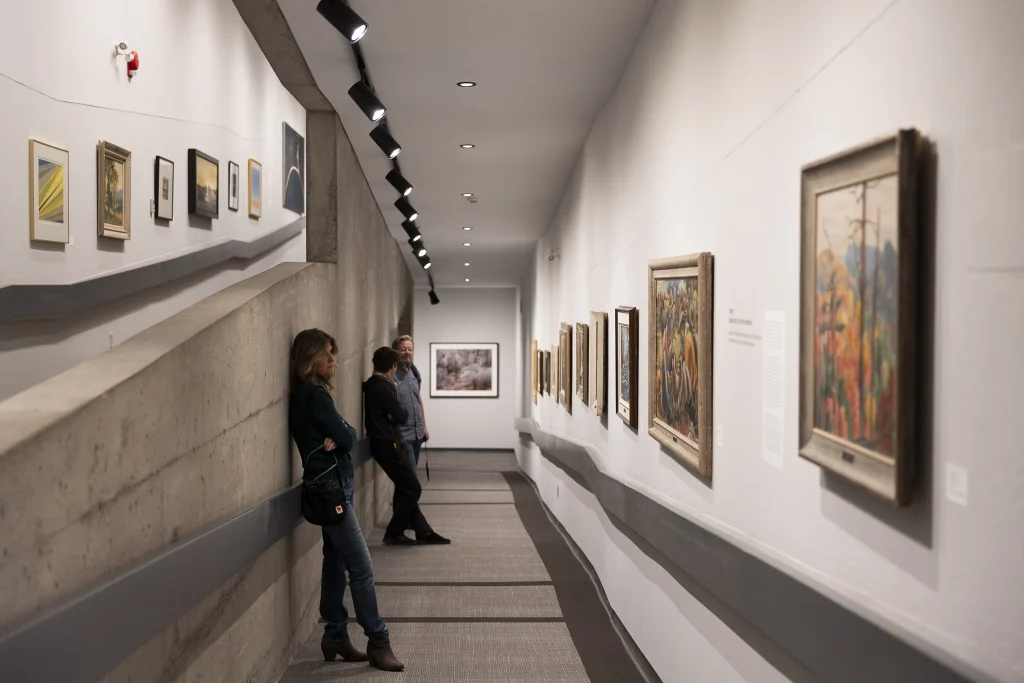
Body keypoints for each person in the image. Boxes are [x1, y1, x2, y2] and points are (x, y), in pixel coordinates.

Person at [288, 329, 404, 672]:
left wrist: (341, 436)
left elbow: (346, 435)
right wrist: (339, 437)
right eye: (326, 355)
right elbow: (347, 436)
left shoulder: (303, 396)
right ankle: (378, 641)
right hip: (332, 490)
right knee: (361, 566)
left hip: (323, 487)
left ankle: (335, 634)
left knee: (335, 561)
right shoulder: (315, 396)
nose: (332, 361)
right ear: (311, 359)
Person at [363, 346, 451, 546]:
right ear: (393, 367)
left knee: (407, 487)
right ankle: (394, 531)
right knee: (412, 488)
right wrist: (395, 413)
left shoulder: (377, 385)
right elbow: (403, 415)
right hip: (388, 445)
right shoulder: (383, 387)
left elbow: (399, 413)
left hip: (389, 443)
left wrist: (395, 413)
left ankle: (423, 531)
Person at [391, 335, 427, 470]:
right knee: (412, 479)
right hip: (402, 435)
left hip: (417, 434)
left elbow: (418, 400)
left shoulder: (414, 371)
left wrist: (424, 427)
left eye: (410, 349)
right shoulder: (391, 374)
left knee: (408, 478)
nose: (407, 352)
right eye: (403, 349)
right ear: (395, 351)